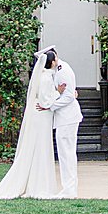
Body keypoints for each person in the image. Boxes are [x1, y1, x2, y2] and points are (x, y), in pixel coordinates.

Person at [0, 46, 74, 199]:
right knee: (40, 147)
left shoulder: (45, 75)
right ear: (51, 63)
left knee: (41, 147)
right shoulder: (45, 78)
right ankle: (38, 185)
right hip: (41, 116)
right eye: (55, 60)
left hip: (42, 115)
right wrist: (58, 93)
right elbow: (45, 100)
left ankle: (38, 181)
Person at [41, 47, 84, 197]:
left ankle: (70, 190)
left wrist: (50, 105)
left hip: (67, 118)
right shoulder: (57, 70)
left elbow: (69, 97)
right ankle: (68, 189)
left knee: (67, 154)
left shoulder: (62, 70)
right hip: (64, 119)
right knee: (65, 154)